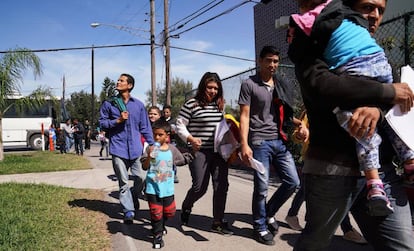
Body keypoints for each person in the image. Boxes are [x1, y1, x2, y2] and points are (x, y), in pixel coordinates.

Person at [291, 0, 414, 250]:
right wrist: (385, 92)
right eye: (368, 7)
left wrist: (377, 108)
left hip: (380, 173)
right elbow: (322, 86)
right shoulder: (312, 42)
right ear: (345, 8)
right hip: (332, 169)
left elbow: (399, 101)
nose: (375, 16)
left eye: (380, 10)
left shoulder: (372, 52)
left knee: (402, 246)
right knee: (313, 245)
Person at [238, 45, 302, 246]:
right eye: (268, 61)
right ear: (260, 61)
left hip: (279, 140)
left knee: (293, 182)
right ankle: (259, 226)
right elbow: (245, 116)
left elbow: (287, 115)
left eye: (275, 61)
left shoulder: (280, 84)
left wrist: (301, 126)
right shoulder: (249, 84)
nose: (272, 65)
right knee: (262, 187)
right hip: (259, 141)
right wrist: (244, 145)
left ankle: (268, 212)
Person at [287, 111, 367, 244]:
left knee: (308, 191)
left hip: (338, 161)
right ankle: (345, 229)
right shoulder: (311, 110)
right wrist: (301, 134)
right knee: (312, 192)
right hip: (316, 159)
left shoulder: (347, 109)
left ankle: (293, 216)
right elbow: (296, 135)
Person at [176, 72, 233, 236]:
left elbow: (223, 126)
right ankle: (187, 205)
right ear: (203, 87)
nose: (213, 91)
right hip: (199, 151)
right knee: (200, 187)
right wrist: (190, 138)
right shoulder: (191, 104)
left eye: (216, 88)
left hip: (219, 152)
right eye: (210, 87)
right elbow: (180, 125)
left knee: (221, 186)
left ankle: (217, 222)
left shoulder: (220, 105)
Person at [99, 73, 154, 224]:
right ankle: (128, 211)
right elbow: (102, 123)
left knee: (141, 178)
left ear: (129, 85)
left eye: (121, 80)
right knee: (123, 182)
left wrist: (153, 144)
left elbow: (145, 127)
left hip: (136, 149)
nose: (118, 82)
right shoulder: (109, 104)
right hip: (118, 148)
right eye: (118, 80)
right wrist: (117, 120)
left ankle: (134, 196)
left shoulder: (138, 105)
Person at [140, 119, 190, 249]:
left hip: (167, 189)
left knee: (169, 212)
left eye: (160, 135)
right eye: (155, 134)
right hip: (152, 188)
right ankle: (157, 236)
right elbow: (145, 167)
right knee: (156, 212)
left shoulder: (172, 150)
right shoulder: (150, 148)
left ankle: (161, 225)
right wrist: (149, 157)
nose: (157, 137)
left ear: (167, 135)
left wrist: (194, 154)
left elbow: (182, 160)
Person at [162, 104, 180, 183]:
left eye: (167, 112)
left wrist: (174, 132)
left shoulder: (174, 121)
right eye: (164, 112)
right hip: (162, 142)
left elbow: (177, 131)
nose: (165, 114)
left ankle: (174, 174)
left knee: (172, 158)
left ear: (170, 112)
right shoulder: (161, 120)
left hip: (172, 142)